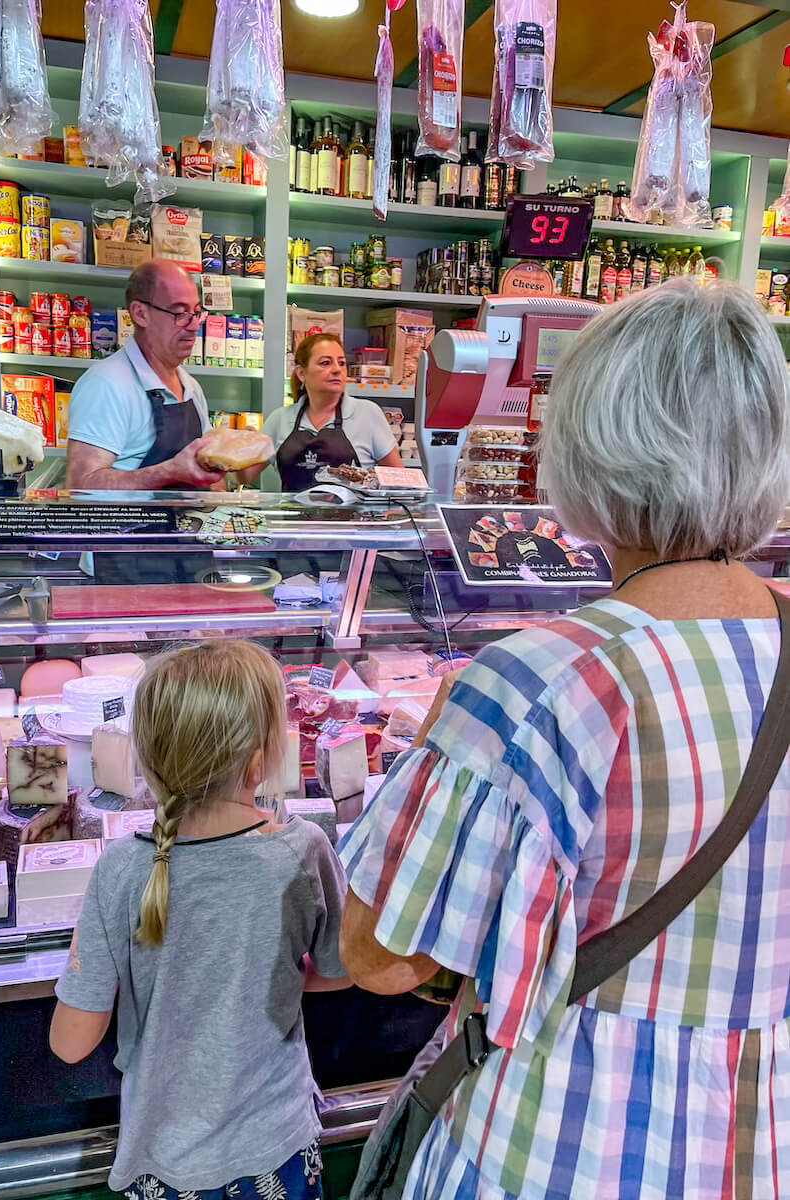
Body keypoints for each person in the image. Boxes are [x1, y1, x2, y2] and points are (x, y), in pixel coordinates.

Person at [338, 281, 790, 1199]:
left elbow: (381, 957)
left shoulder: (533, 681)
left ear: (592, 451)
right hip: (759, 1145)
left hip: (563, 1144)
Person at [49, 640, 350, 1199]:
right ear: (259, 759)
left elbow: (71, 1043)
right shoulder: (302, 849)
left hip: (162, 1161)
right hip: (276, 1151)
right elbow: (339, 970)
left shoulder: (123, 864)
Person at [65, 259, 224, 493]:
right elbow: (80, 486)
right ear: (140, 314)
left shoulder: (190, 386)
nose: (193, 326)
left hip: (185, 528)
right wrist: (168, 472)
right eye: (180, 313)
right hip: (130, 529)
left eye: (197, 313)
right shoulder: (106, 383)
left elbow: (211, 477)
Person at [242, 333, 403, 492]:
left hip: (354, 518)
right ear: (301, 373)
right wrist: (241, 448)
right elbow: (245, 477)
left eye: (341, 363)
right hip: (294, 517)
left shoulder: (367, 413)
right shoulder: (280, 419)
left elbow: (399, 480)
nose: (336, 370)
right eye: (325, 363)